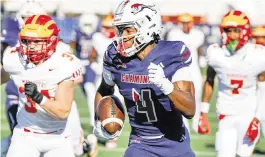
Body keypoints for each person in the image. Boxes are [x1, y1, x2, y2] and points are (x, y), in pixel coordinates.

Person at [93, 0, 196, 156]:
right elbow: (105, 89)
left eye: (128, 30)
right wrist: (98, 120)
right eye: (120, 31)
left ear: (147, 27)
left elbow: (190, 109)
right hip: (141, 143)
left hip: (175, 142)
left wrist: (165, 85)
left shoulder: (173, 54)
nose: (123, 37)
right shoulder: (115, 57)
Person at [2, 14, 82, 157]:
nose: (31, 46)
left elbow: (63, 112)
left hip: (58, 137)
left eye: (37, 41)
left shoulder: (63, 63)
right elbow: (3, 76)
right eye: (27, 41)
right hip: (25, 135)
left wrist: (39, 98)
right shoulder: (16, 59)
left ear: (51, 41)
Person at [199, 10, 265, 157]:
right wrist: (203, 112)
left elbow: (263, 88)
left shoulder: (259, 55)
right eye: (228, 31)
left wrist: (257, 118)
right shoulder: (216, 54)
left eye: (236, 31)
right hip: (225, 114)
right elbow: (209, 80)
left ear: (245, 31)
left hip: (248, 115)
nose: (231, 36)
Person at [166, 13, 205, 133]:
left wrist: (200, 66)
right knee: (181, 95)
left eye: (187, 22)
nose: (186, 25)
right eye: (183, 22)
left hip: (194, 69)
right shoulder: (174, 34)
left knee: (197, 95)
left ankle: (197, 121)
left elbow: (198, 50)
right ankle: (184, 122)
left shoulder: (198, 34)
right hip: (179, 69)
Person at [69, 13, 98, 127]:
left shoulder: (97, 34)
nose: (87, 27)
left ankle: (94, 120)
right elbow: (71, 46)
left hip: (91, 65)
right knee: (82, 91)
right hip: (80, 63)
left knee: (90, 90)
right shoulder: (77, 32)